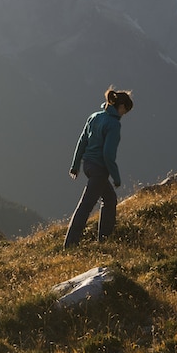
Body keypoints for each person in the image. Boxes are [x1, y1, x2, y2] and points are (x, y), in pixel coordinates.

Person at [64, 87, 134, 247]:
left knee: (109, 199)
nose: (124, 114)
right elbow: (108, 154)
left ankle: (104, 240)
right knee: (86, 205)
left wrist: (75, 165)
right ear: (121, 107)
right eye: (125, 111)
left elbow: (82, 141)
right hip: (99, 169)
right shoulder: (113, 125)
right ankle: (71, 244)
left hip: (88, 165)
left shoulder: (94, 117)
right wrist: (116, 177)